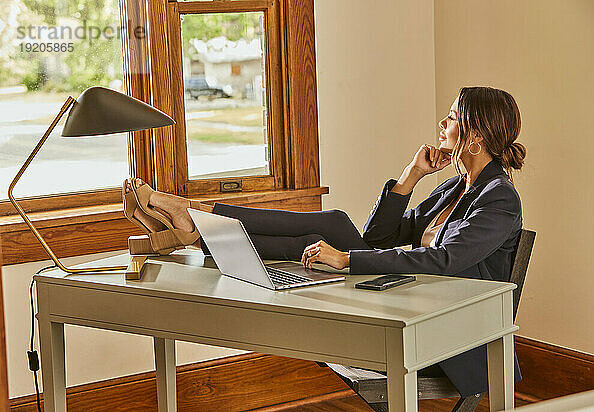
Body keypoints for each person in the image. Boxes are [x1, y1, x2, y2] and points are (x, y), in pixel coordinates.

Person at [123, 86, 526, 397]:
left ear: (475, 136)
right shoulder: (458, 186)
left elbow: (442, 261)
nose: (442, 123)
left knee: (333, 225)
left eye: (452, 118)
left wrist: (346, 260)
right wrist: (410, 176)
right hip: (410, 302)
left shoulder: (499, 198)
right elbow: (378, 238)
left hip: (450, 331)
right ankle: (195, 226)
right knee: (324, 230)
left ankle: (193, 219)